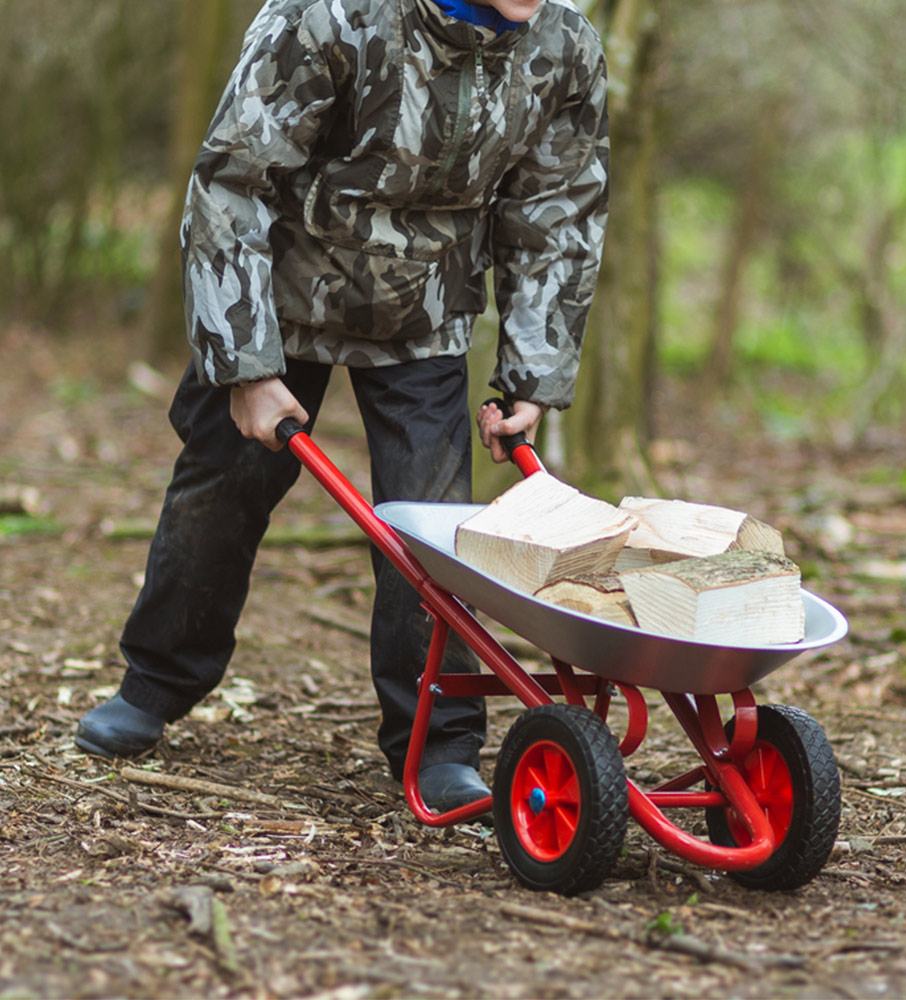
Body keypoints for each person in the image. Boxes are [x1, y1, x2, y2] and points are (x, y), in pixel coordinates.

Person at [75, 0, 609, 813]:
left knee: (431, 533)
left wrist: (532, 374)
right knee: (222, 490)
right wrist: (246, 366)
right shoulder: (328, 16)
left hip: (426, 314)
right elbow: (232, 183)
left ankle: (439, 742)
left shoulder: (564, 43)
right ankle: (154, 685)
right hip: (278, 302)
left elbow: (557, 209)